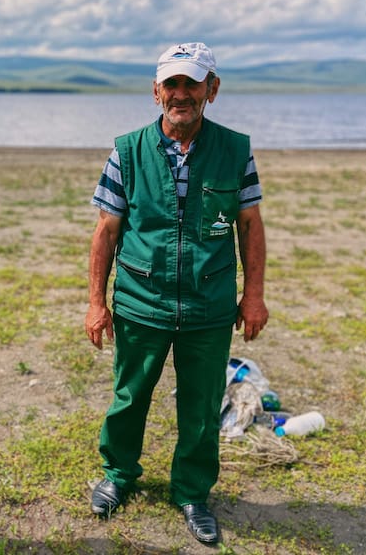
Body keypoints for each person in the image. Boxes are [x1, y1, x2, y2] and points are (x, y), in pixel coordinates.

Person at [84, 42, 268, 545]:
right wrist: (97, 302)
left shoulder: (235, 149)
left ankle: (191, 492)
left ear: (212, 89)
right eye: (172, 84)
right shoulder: (127, 150)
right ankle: (118, 475)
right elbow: (106, 231)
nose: (181, 94)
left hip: (209, 306)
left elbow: (249, 226)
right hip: (142, 301)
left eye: (192, 83)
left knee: (202, 405)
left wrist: (253, 296)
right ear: (156, 91)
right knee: (129, 397)